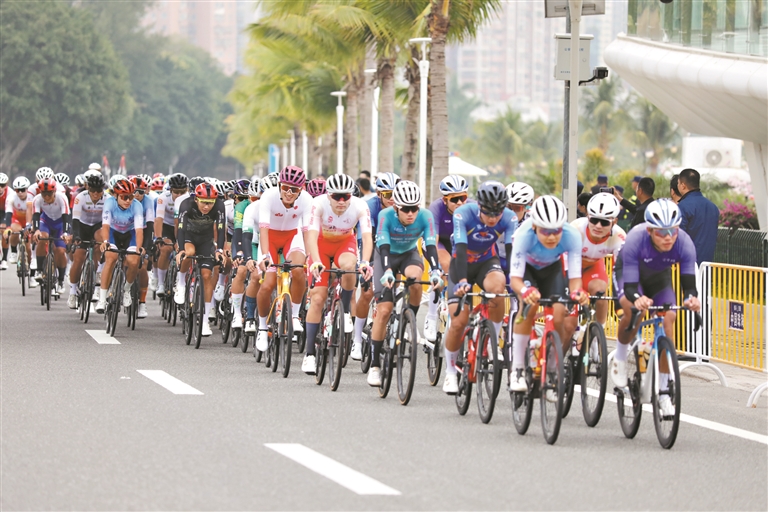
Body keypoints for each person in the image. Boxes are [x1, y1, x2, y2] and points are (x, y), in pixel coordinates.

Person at [612, 199, 701, 416]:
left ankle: (663, 392)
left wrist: (691, 299)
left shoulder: (685, 243)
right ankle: (620, 358)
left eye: (673, 230)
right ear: (650, 230)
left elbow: (689, 286)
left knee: (669, 317)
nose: (668, 237)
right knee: (634, 310)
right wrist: (637, 298)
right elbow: (631, 287)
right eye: (661, 232)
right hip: (630, 275)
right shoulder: (635, 238)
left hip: (659, 278)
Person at [441, 181, 517, 394]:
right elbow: (460, 249)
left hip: (486, 261)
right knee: (458, 321)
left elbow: (511, 250)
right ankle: (450, 372)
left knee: (499, 288)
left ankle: (492, 341)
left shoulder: (509, 217)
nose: (493, 218)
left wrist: (516, 281)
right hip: (461, 263)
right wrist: (462, 281)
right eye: (488, 213)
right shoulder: (463, 214)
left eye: (497, 213)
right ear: (479, 206)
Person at [507, 195, 588, 392]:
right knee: (529, 305)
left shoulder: (571, 235)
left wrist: (578, 292)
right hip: (527, 271)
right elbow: (515, 279)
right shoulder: (522, 235)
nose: (552, 237)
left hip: (552, 269)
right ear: (534, 226)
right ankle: (517, 368)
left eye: (556, 231)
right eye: (545, 231)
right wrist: (525, 291)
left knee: (560, 313)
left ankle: (551, 368)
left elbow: (575, 277)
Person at [367, 180, 442, 387]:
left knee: (416, 279)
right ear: (396, 208)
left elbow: (430, 245)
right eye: (406, 209)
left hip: (409, 254)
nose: (411, 214)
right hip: (385, 256)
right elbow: (383, 245)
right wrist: (387, 271)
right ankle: (375, 365)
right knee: (384, 310)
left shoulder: (425, 216)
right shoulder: (385, 215)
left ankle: (408, 319)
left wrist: (435, 270)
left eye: (414, 208)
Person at [303, 173, 373, 374]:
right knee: (318, 298)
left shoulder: (360, 206)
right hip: (321, 246)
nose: (342, 201)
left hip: (345, 243)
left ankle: (345, 310)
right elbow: (311, 235)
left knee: (350, 266)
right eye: (336, 196)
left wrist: (365, 261)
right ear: (328, 195)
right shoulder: (318, 204)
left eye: (346, 196)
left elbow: (367, 237)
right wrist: (316, 261)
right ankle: (309, 355)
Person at [253, 166, 313, 352]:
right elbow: (263, 229)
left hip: (292, 237)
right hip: (270, 238)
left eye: (294, 190)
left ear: (301, 190)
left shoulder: (307, 200)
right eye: (285, 187)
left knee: (299, 270)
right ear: (279, 185)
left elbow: (307, 232)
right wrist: (265, 256)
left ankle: (294, 315)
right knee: (268, 284)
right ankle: (262, 327)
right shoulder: (268, 197)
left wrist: (310, 257)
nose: (289, 193)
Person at [563, 193, 626, 348]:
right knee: (569, 326)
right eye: (593, 220)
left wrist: (620, 302)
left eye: (604, 222)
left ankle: (598, 333)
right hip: (570, 268)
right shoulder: (576, 229)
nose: (598, 226)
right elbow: (565, 265)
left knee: (600, 292)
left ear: (614, 221)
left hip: (592, 267)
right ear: (587, 216)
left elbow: (620, 272)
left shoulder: (619, 236)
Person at [352, 172, 400, 359]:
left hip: (392, 246)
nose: (392, 198)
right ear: (379, 194)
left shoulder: (403, 206)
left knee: (394, 285)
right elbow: (367, 238)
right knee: (367, 292)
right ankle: (357, 340)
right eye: (387, 195)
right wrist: (369, 263)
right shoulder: (370, 207)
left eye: (395, 194)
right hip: (371, 244)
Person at [174, 182, 227, 337]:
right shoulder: (186, 204)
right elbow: (181, 229)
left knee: (206, 275)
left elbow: (221, 229)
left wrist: (219, 250)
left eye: (210, 203)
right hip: (189, 237)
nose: (206, 207)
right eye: (203, 202)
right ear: (196, 199)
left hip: (206, 240)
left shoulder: (219, 206)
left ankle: (204, 321)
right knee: (189, 253)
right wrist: (181, 249)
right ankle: (181, 283)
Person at [424, 175, 469, 341]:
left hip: (459, 243)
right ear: (445, 200)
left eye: (462, 198)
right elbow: (433, 241)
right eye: (454, 199)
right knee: (445, 266)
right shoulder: (436, 209)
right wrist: (435, 267)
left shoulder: (471, 207)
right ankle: (431, 316)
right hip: (439, 243)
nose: (460, 203)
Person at [96, 178, 144, 313]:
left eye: (130, 197)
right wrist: (105, 241)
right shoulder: (109, 203)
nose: (128, 200)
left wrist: (139, 247)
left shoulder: (137, 206)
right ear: (115, 195)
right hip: (113, 233)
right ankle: (102, 299)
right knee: (111, 258)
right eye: (124, 197)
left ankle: (126, 289)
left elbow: (139, 230)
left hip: (130, 234)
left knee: (134, 261)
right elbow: (105, 225)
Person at [68, 172, 106, 309]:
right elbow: (75, 219)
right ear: (88, 188)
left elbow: (108, 222)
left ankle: (99, 272)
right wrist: (76, 236)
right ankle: (73, 292)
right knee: (78, 259)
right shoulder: (80, 197)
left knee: (101, 242)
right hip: (82, 227)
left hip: (98, 226)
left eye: (99, 190)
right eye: (93, 190)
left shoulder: (107, 199)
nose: (96, 193)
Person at [32, 177, 71, 296]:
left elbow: (66, 217)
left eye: (49, 193)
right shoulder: (37, 199)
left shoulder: (61, 198)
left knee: (60, 251)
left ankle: (61, 281)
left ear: (54, 191)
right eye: (44, 193)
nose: (47, 196)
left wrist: (65, 233)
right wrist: (36, 230)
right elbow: (36, 216)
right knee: (42, 237)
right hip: (46, 221)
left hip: (60, 223)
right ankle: (39, 270)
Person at [676, 168, 719, 265]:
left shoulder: (683, 207)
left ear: (683, 185)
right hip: (706, 266)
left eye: (678, 183)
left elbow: (678, 238)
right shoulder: (713, 207)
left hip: (687, 266)